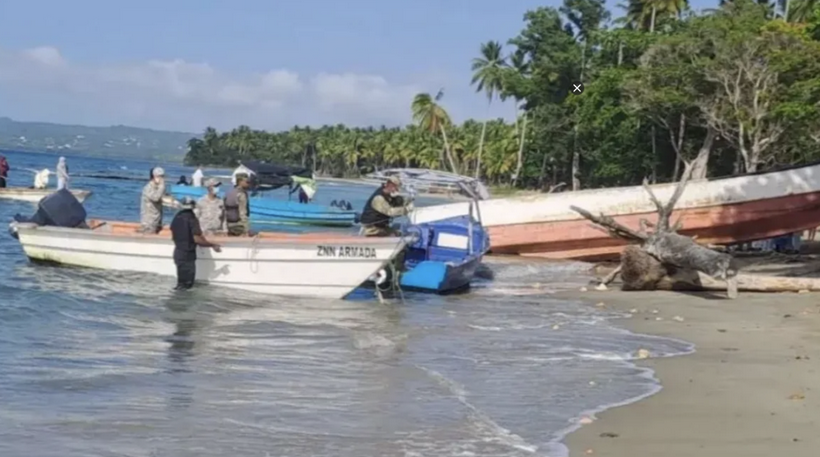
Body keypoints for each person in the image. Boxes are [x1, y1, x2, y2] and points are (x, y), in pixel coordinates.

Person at [170, 197, 221, 290]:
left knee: (180, 285)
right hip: (187, 255)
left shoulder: (176, 218)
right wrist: (212, 244)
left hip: (178, 252)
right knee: (187, 286)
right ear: (193, 206)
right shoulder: (192, 219)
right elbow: (197, 239)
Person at [138, 167, 166, 234]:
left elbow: (161, 199)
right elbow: (156, 198)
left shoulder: (158, 188)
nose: (162, 179)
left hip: (156, 221)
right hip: (149, 223)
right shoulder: (148, 188)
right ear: (154, 176)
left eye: (163, 176)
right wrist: (162, 187)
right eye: (160, 176)